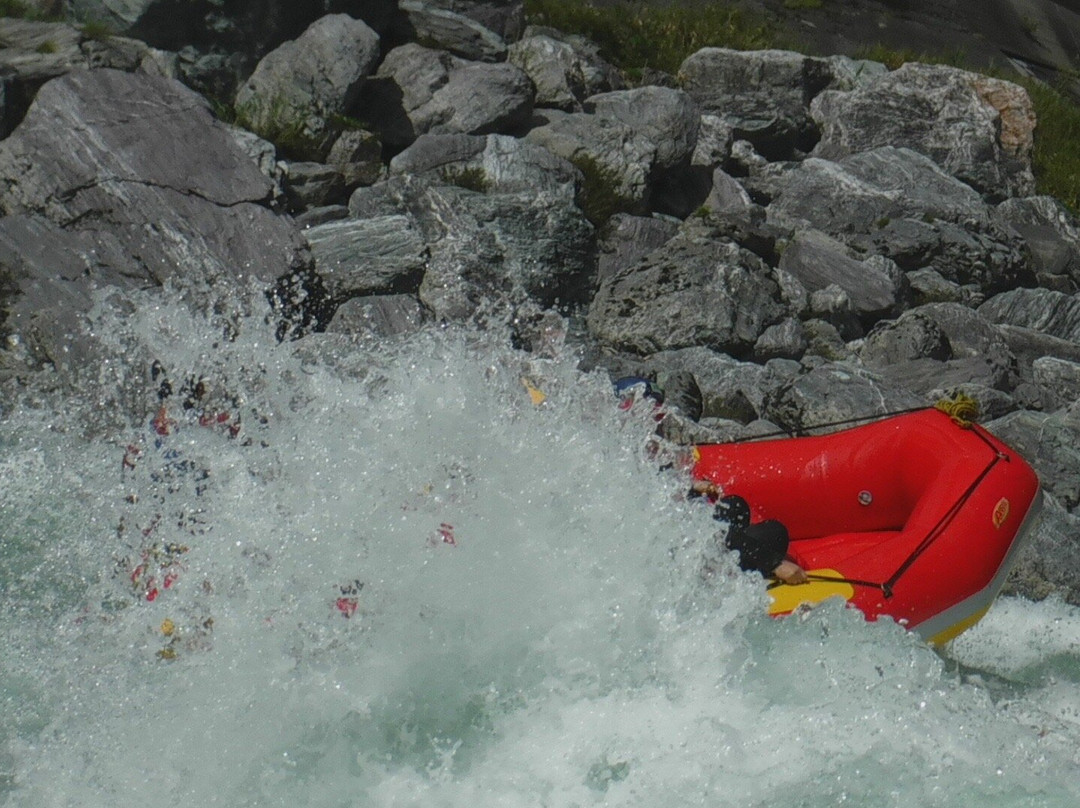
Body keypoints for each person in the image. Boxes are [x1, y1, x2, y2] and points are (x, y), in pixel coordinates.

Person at [691, 480, 808, 585]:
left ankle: (737, 557)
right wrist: (775, 565)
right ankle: (729, 570)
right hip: (694, 569)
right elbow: (718, 534)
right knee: (775, 534)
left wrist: (693, 490)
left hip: (702, 549)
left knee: (735, 505)